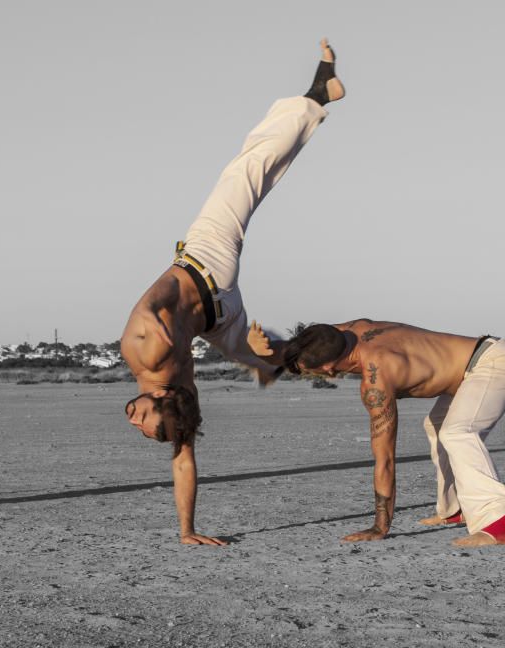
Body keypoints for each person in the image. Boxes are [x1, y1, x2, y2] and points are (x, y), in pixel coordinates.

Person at [120, 40, 345, 545]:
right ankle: (317, 95)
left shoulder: (182, 396)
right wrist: (166, 310)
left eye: (146, 429)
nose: (137, 426)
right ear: (162, 398)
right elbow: (157, 310)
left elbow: (184, 460)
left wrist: (187, 532)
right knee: (244, 171)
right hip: (206, 264)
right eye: (149, 425)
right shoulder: (143, 348)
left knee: (263, 359)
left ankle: (283, 360)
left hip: (220, 316)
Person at [247, 320, 505, 546]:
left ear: (328, 369)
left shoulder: (377, 378)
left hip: (492, 365)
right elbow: (307, 342)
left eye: (312, 373)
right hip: (475, 363)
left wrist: (380, 526)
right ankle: (455, 510)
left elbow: (386, 459)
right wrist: (265, 349)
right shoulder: (347, 331)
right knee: (438, 427)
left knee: (458, 433)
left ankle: (500, 526)